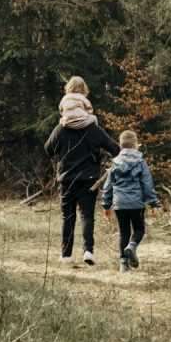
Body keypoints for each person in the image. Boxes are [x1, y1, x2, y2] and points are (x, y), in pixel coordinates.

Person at [44, 108, 119, 266]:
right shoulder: (93, 129)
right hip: (89, 178)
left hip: (67, 178)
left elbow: (48, 149)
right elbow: (115, 149)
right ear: (86, 107)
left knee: (68, 216)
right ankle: (88, 251)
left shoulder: (61, 129)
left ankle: (66, 255)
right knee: (87, 216)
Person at [102, 130, 159, 273]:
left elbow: (108, 186)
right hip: (136, 203)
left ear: (121, 146)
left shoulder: (115, 163)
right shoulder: (141, 163)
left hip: (119, 204)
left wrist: (106, 205)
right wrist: (153, 203)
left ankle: (123, 264)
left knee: (124, 232)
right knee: (139, 229)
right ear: (135, 145)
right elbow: (147, 184)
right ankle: (132, 246)